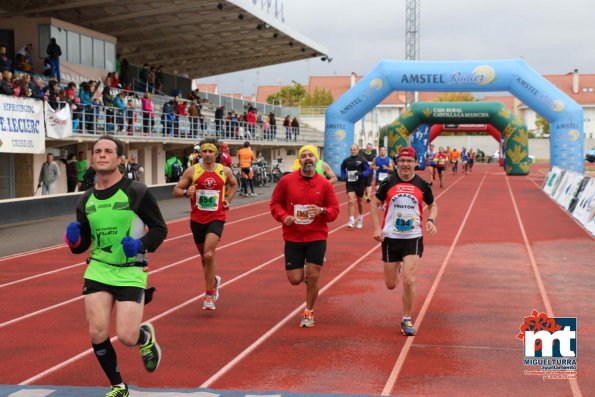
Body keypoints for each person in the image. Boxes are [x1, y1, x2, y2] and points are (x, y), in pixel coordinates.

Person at [63, 135, 167, 397]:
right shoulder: (85, 199)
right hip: (98, 268)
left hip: (131, 269)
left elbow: (159, 229)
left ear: (120, 158)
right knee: (97, 331)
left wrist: (141, 245)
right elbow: (81, 245)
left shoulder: (136, 191)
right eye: (97, 151)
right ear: (92, 158)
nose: (101, 154)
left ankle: (144, 338)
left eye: (108, 151)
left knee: (126, 336)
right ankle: (118, 386)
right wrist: (73, 239)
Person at [370, 147, 438, 337]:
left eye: (409, 161)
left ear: (416, 163)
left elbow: (433, 205)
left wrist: (431, 220)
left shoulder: (423, 185)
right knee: (391, 284)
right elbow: (374, 203)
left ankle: (406, 319)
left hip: (412, 237)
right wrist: (377, 228)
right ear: (397, 162)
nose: (405, 164)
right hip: (391, 238)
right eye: (402, 161)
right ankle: (398, 266)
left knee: (409, 280)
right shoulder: (388, 182)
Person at [270, 145, 339, 327]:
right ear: (299, 160)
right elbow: (275, 204)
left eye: (311, 156)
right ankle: (309, 282)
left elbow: (334, 211)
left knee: (314, 275)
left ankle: (308, 312)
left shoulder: (324, 184)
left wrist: (322, 211)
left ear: (316, 160)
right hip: (293, 237)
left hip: (317, 236)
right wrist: (284, 217)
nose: (307, 158)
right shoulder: (286, 181)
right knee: (295, 279)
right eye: (304, 156)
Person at [172, 141, 237, 310]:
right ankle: (213, 279)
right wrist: (187, 192)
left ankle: (209, 294)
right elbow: (176, 190)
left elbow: (234, 184)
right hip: (197, 219)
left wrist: (227, 200)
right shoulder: (192, 171)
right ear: (200, 153)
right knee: (204, 257)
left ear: (216, 154)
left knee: (209, 255)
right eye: (204, 151)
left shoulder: (225, 170)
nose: (207, 154)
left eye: (211, 151)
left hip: (217, 217)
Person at [340, 144, 371, 229]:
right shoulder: (346, 160)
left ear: (357, 150)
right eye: (351, 150)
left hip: (360, 183)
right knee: (350, 201)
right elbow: (342, 168)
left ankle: (360, 218)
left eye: (354, 149)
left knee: (360, 202)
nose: (353, 151)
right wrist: (343, 175)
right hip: (350, 182)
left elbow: (368, 170)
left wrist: (362, 174)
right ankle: (351, 220)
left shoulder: (362, 160)